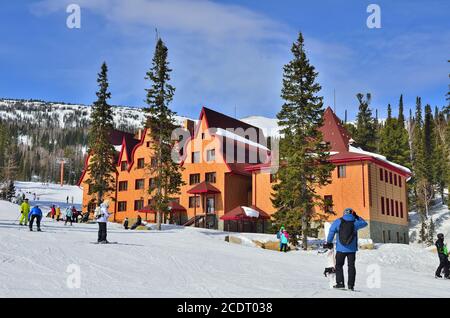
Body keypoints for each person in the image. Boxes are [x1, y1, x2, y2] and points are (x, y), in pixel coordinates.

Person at [326, 208, 368, 291]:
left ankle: (340, 283)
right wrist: (357, 216)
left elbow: (331, 231)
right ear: (352, 213)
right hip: (352, 250)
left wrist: (329, 242)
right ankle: (351, 285)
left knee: (339, 265)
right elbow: (365, 223)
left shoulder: (338, 221)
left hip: (340, 249)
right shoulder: (356, 223)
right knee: (351, 266)